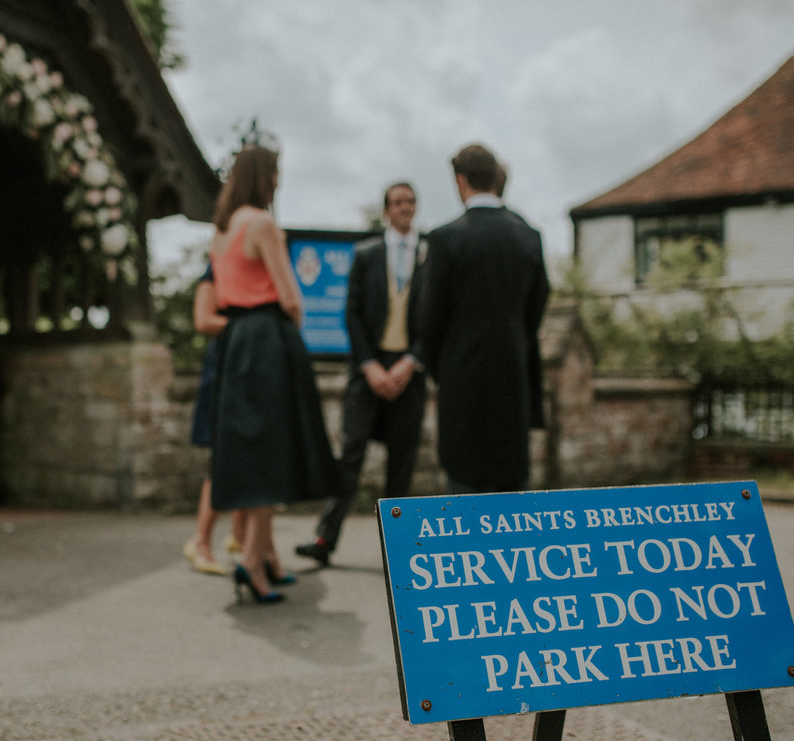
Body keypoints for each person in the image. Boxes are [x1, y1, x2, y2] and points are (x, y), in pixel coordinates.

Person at [208, 142, 340, 604]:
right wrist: (293, 326)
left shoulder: (221, 232)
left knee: (252, 452)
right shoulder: (262, 224)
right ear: (263, 176)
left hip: (234, 342)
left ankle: (267, 557)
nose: (279, 180)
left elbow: (223, 293)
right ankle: (251, 563)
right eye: (276, 172)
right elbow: (290, 297)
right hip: (267, 339)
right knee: (271, 454)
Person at [295, 183, 428, 566]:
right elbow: (351, 313)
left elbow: (435, 316)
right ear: (386, 210)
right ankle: (324, 538)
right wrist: (370, 366)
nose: (405, 208)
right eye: (398, 202)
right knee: (350, 455)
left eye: (410, 202)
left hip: (409, 371)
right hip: (367, 370)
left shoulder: (429, 255)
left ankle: (398, 552)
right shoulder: (366, 254)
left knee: (401, 464)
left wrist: (410, 363)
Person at [420, 143, 550, 493]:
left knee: (464, 486)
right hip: (513, 373)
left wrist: (441, 367)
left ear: (460, 181)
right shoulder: (528, 236)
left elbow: (430, 318)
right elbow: (537, 307)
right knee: (511, 490)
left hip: (462, 378)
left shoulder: (444, 239)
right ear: (495, 178)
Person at [182, 261, 246, 575]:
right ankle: (201, 541)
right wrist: (250, 326)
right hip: (224, 368)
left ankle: (240, 537)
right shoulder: (215, 269)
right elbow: (203, 319)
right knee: (221, 460)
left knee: (251, 456)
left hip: (250, 365)